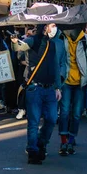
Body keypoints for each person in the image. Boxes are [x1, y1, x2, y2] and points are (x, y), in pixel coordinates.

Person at [12, 24, 62, 165]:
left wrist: (58, 87)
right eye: (52, 26)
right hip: (35, 87)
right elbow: (19, 48)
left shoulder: (52, 44)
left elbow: (55, 67)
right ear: (45, 27)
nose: (54, 28)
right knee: (33, 122)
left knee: (52, 119)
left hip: (50, 88)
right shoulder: (33, 40)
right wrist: (15, 42)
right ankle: (32, 150)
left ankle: (41, 142)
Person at [58, 24, 87, 156]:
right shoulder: (62, 38)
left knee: (76, 113)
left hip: (81, 82)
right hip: (66, 81)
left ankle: (71, 141)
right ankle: (63, 141)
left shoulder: (86, 40)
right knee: (64, 112)